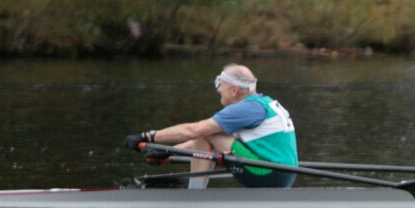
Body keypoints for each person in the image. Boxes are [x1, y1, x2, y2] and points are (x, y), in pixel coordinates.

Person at [123, 65, 299, 189]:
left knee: (206, 132)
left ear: (234, 90)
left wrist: (147, 136)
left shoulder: (246, 108)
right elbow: (207, 142)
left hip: (268, 175)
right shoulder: (261, 104)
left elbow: (195, 131)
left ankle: (195, 196)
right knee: (210, 134)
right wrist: (169, 151)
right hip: (283, 174)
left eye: (220, 84)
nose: (217, 89)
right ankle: (196, 192)